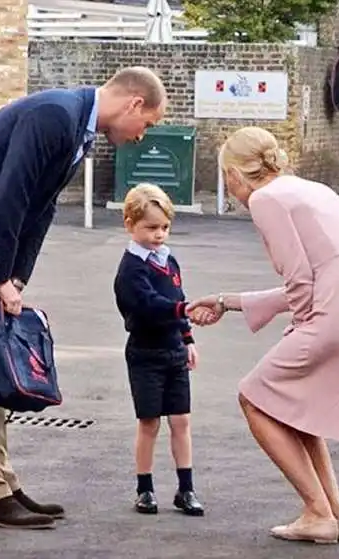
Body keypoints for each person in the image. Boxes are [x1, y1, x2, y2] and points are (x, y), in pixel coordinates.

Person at [0, 67, 167, 530]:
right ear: (134, 104)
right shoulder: (55, 115)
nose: (142, 136)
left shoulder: (75, 126)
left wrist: (17, 277)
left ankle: (1, 482)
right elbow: (11, 195)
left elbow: (38, 207)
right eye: (146, 124)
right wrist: (1, 274)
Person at [186, 127, 339, 544]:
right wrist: (228, 301)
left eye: (226, 173)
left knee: (254, 397)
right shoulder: (310, 189)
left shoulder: (266, 200)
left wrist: (302, 325)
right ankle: (336, 512)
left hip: (334, 312)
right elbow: (322, 274)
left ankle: (319, 512)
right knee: (296, 408)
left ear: (235, 173)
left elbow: (299, 279)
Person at [112, 184, 207, 517]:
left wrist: (188, 338)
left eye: (164, 227)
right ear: (130, 224)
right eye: (151, 228)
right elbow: (149, 305)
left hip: (173, 351)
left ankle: (186, 488)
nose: (159, 235)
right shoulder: (131, 270)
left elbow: (178, 296)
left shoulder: (168, 261)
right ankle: (145, 488)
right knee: (149, 422)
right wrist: (182, 312)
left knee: (181, 420)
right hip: (145, 353)